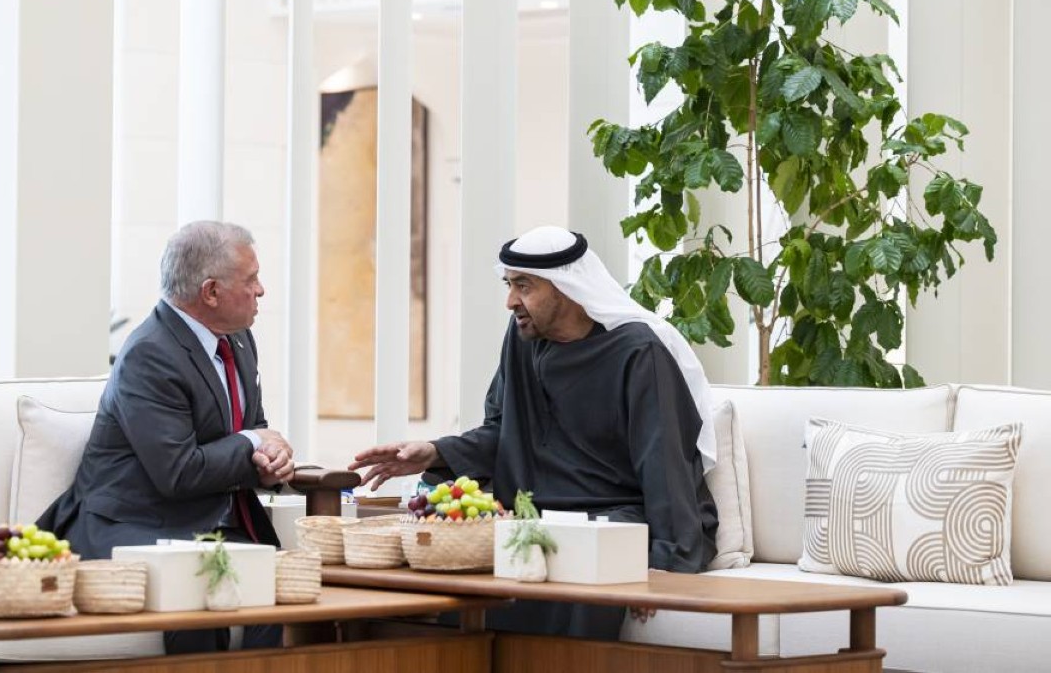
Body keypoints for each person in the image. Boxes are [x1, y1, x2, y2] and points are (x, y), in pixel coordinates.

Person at [350, 225, 719, 640]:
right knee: (459, 582)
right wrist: (435, 452)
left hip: (616, 519)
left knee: (568, 574)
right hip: (532, 513)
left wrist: (664, 563)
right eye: (509, 285)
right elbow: (503, 432)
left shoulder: (638, 351)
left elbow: (664, 463)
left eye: (523, 286)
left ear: (565, 287)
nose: (511, 301)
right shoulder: (523, 339)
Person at [39, 221, 295, 654]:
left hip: (205, 523)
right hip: (135, 523)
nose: (262, 291)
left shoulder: (241, 340)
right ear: (210, 292)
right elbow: (178, 472)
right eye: (251, 280)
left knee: (281, 588)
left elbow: (254, 429)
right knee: (198, 585)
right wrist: (253, 442)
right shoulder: (150, 354)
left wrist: (273, 460)